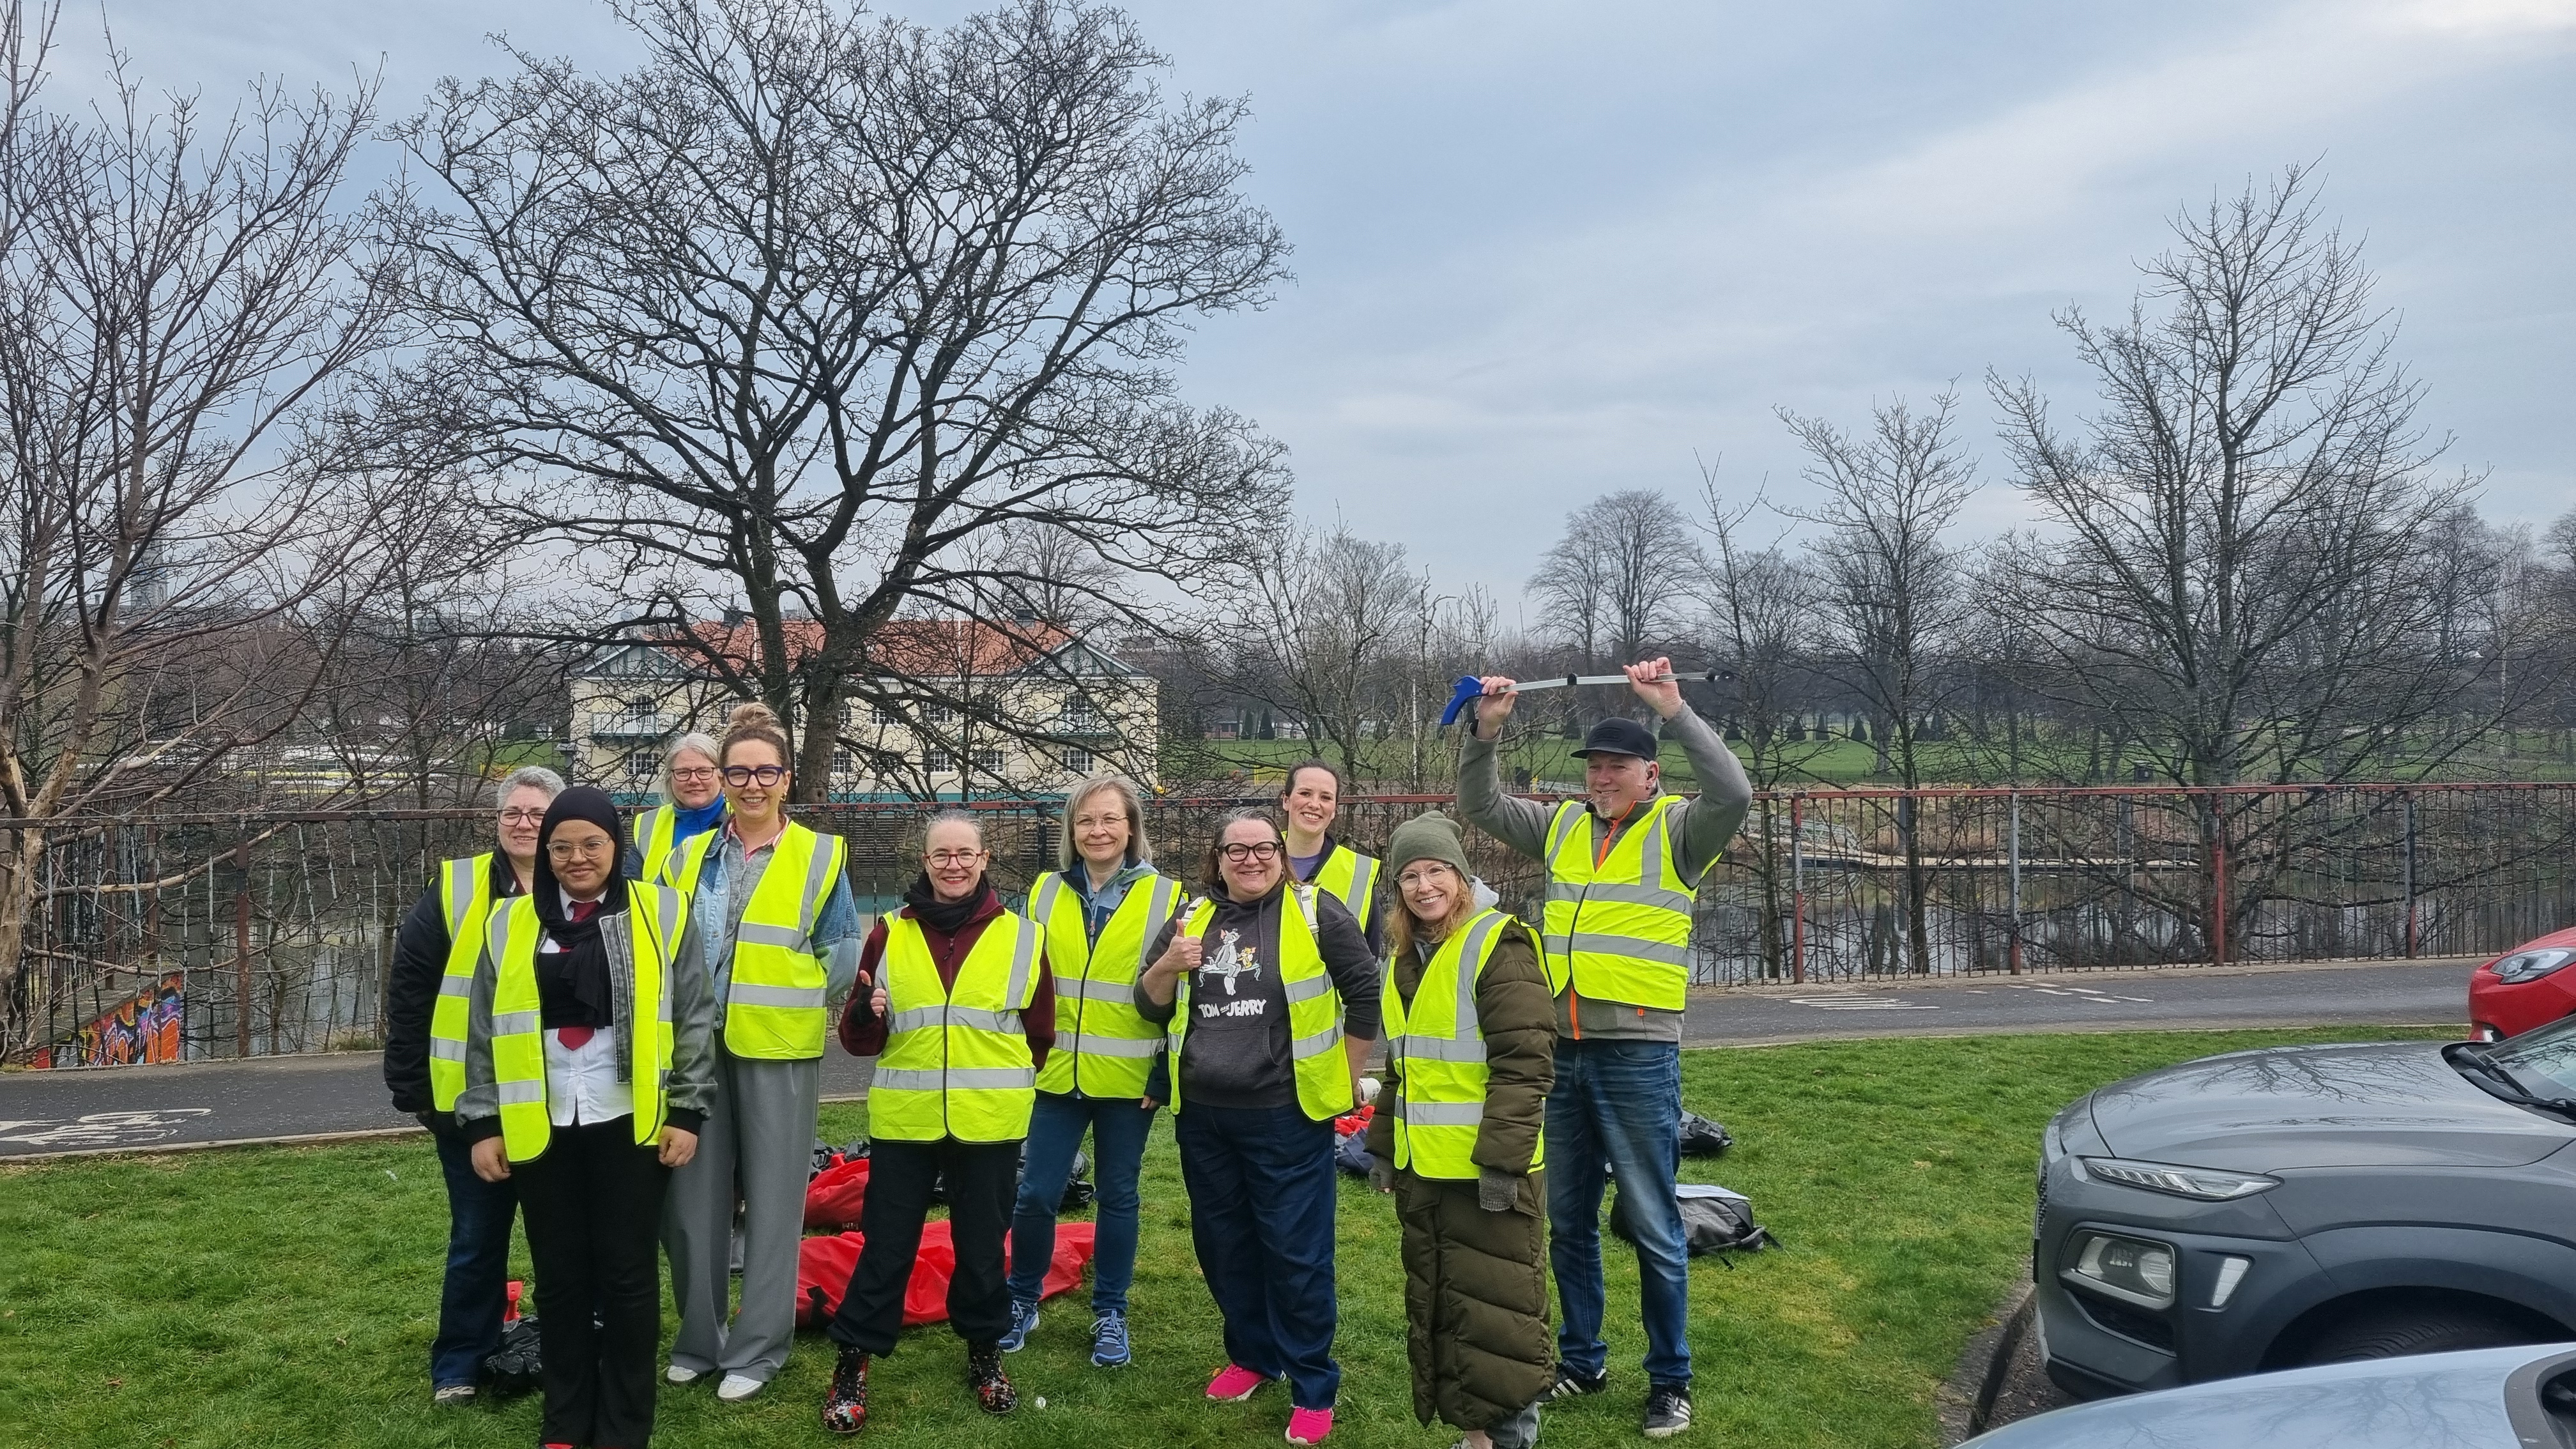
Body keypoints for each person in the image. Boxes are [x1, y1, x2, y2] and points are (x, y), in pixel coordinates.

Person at [1457, 656, 1752, 1441]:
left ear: (1651, 775)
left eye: (1617, 767)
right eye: (1594, 767)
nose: (1602, 778)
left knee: (1654, 1224)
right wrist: (1486, 730)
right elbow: (1477, 801)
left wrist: (1675, 709)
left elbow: (1738, 792)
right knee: (1568, 1221)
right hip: (1562, 1052)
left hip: (1637, 1056)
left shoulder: (1683, 830)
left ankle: (1670, 1381)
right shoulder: (1560, 826)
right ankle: (1583, 1362)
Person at [457, 786, 715, 1449]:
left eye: (591, 844)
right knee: (562, 1279)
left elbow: (693, 1017)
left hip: (629, 1121)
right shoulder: (509, 923)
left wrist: (688, 1109)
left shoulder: (660, 912)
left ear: (615, 847)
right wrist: (483, 1122)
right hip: (540, 1127)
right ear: (545, 853)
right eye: (562, 846)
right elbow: (483, 1029)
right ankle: (566, 1421)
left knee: (628, 1278)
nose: (578, 858)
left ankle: (626, 1425)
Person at [1133, 809, 1381, 1448]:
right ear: (1216, 859)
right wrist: (1168, 966)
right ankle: (1252, 1355)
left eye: (1263, 847)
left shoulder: (1315, 911)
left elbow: (1365, 994)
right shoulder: (1191, 917)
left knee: (1294, 1254)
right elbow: (1147, 1003)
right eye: (1236, 850)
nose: (1251, 859)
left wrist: (1346, 1078)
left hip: (1286, 1116)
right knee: (1224, 1246)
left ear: (1281, 852)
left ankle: (1312, 1383)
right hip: (1206, 1118)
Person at [822, 811, 1057, 1434]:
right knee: (887, 1249)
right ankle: (852, 1363)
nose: (953, 865)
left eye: (965, 854)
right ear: (924, 863)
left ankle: (985, 1355)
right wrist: (869, 1018)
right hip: (907, 1121)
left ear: (985, 860)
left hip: (990, 1124)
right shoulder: (888, 936)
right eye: (940, 855)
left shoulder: (1024, 937)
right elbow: (857, 1037)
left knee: (981, 1251)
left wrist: (1000, 1090)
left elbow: (1040, 1036)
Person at [657, 702, 862, 1402]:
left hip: (778, 1047)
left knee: (776, 1205)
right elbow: (662, 949)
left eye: (764, 771)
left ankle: (759, 1349)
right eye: (737, 771)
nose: (750, 784)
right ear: (720, 777)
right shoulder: (685, 857)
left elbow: (841, 955)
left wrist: (788, 996)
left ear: (784, 778)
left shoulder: (820, 854)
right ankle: (699, 1337)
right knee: (689, 1202)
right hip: (694, 1048)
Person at [1365, 812, 1556, 1449]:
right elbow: (1403, 1069)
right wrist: (1386, 1150)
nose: (1423, 886)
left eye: (1436, 871)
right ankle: (1477, 1436)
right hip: (1429, 1174)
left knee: (1502, 1316)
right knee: (1447, 1311)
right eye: (1410, 876)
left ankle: (1512, 1438)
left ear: (1463, 876)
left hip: (1488, 1176)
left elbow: (1524, 1065)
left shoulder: (1497, 945)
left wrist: (1502, 1165)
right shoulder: (1406, 961)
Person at [381, 763, 561, 1406]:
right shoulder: (457, 888)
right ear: (497, 820)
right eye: (513, 812)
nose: (523, 823)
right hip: (466, 1105)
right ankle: (458, 1364)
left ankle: (563, 1348)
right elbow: (411, 986)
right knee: (476, 1241)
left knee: (560, 1239)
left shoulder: (583, 887)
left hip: (554, 1103)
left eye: (538, 814)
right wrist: (414, 1089)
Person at [999, 774, 1182, 1367]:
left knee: (1120, 1197)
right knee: (1035, 1195)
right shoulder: (1044, 891)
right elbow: (1021, 979)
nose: (1098, 831)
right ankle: (1021, 1298)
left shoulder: (1170, 898)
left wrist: (1164, 1076)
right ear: (1071, 833)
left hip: (1131, 1082)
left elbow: (1184, 996)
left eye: (1109, 820)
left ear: (1132, 828)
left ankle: (1111, 1311)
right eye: (1085, 821)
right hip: (1054, 1078)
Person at [1280, 760, 1384, 959]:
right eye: (1305, 793)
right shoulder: (1255, 859)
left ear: (1335, 809)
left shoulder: (1360, 873)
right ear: (1286, 800)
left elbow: (1369, 960)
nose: (1314, 804)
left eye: (1326, 797)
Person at [625, 733, 726, 882]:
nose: (693, 780)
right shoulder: (648, 826)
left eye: (703, 771)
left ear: (721, 776)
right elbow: (630, 890)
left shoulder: (744, 820)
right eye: (683, 772)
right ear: (670, 778)